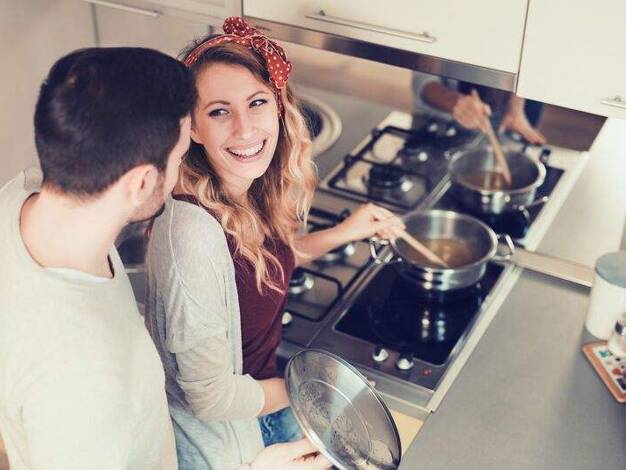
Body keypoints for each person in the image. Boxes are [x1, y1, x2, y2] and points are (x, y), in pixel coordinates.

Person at [0, 47, 330, 470]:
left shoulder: (21, 197)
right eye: (179, 157)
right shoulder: (83, 384)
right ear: (141, 183)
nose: (182, 176)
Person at [143, 17, 404, 470]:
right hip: (232, 437)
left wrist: (345, 231)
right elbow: (211, 398)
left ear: (279, 106)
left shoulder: (243, 190)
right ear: (193, 128)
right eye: (219, 111)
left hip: (267, 400)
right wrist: (319, 391)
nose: (245, 129)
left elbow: (263, 264)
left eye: (257, 102)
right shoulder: (191, 236)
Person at [412, 71, 546, 145]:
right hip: (441, 124)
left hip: (502, 119)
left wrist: (514, 110)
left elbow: (526, 61)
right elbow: (423, 82)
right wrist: (456, 103)